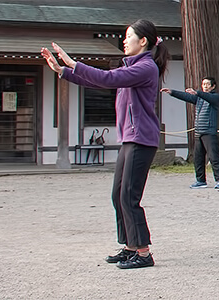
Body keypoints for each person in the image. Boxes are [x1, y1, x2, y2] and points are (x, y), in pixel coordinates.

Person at [41, 19, 169, 269]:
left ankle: (144, 253)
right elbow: (101, 81)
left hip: (141, 139)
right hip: (130, 138)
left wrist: (73, 63)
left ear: (142, 41)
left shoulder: (145, 67)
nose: (124, 40)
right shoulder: (132, 66)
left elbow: (108, 78)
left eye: (128, 36)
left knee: (129, 196)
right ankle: (130, 247)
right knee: (117, 195)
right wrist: (63, 72)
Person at [160, 77, 219, 189]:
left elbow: (207, 97)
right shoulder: (199, 98)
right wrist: (172, 92)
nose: (205, 86)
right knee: (198, 158)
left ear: (213, 86)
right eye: (203, 84)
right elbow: (186, 96)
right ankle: (200, 180)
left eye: (207, 84)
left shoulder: (215, 97)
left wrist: (197, 93)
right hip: (198, 131)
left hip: (209, 132)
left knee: (214, 157)